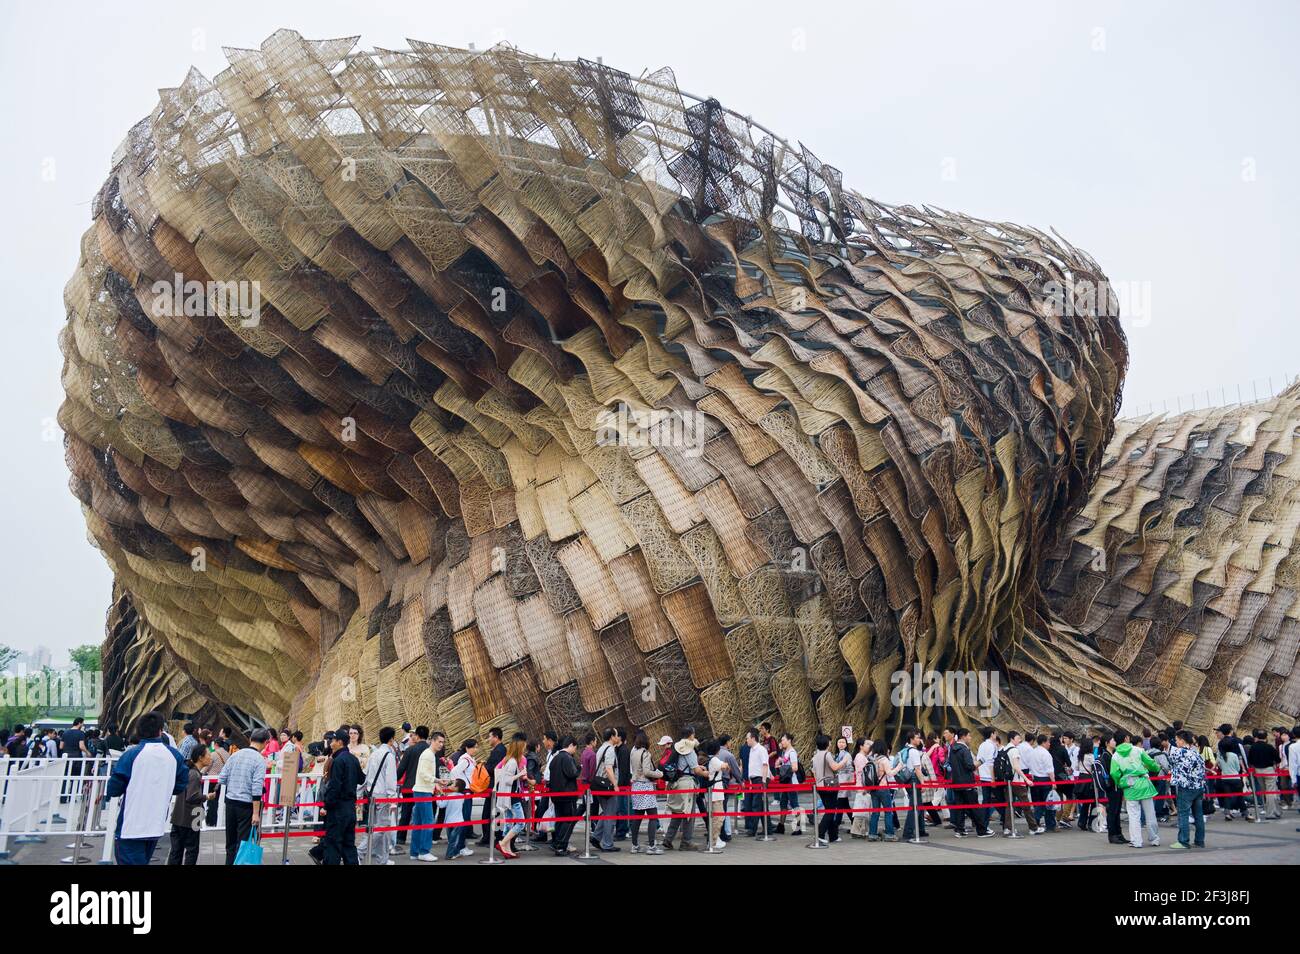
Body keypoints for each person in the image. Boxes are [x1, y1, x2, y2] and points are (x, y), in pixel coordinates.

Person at [106, 711, 188, 865]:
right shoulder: (175, 756)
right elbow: (180, 786)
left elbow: (114, 788)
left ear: (139, 731)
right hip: (156, 824)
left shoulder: (131, 755)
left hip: (130, 826)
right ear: (160, 731)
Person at [219, 727, 270, 864]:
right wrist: (255, 813)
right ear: (266, 742)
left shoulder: (235, 755)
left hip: (230, 803)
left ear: (250, 739)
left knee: (230, 843)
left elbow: (222, 778)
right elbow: (256, 788)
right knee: (242, 844)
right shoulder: (259, 760)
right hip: (246, 806)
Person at [1110, 731, 1161, 848]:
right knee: (1150, 814)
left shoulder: (1115, 756)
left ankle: (1136, 841)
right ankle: (1154, 839)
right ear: (1127, 738)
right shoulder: (1138, 750)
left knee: (1133, 816)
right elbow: (1151, 763)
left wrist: (1120, 782)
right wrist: (1156, 768)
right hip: (1143, 784)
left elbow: (1114, 773)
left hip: (1129, 787)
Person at [320, 725, 362, 864]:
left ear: (340, 742)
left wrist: (326, 805)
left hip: (338, 808)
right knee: (349, 845)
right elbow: (362, 779)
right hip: (350, 807)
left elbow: (334, 786)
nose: (331, 744)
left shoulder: (338, 761)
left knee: (333, 845)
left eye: (333, 741)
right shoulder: (353, 759)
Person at [168, 745, 215, 865]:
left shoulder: (187, 770)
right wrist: (207, 797)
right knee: (192, 851)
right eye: (208, 754)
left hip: (178, 816)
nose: (210, 757)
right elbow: (192, 797)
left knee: (176, 852)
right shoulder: (194, 774)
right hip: (191, 818)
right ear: (200, 757)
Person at [662, 728, 708, 850]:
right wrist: (707, 773)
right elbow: (696, 770)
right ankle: (686, 842)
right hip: (687, 783)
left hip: (676, 782)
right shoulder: (689, 750)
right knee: (689, 813)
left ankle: (668, 839)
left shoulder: (677, 747)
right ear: (691, 735)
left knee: (677, 813)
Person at [361, 726, 398, 864]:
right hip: (383, 796)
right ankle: (360, 851)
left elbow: (367, 773)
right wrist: (393, 799)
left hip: (372, 795)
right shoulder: (389, 756)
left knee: (377, 827)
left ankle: (382, 858)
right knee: (382, 828)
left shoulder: (374, 753)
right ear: (391, 739)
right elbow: (390, 780)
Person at [948, 728, 993, 837]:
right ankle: (982, 830)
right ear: (963, 736)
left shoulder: (952, 749)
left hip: (956, 783)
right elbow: (970, 766)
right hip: (967, 783)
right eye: (969, 736)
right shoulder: (964, 750)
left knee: (960, 808)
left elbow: (950, 764)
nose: (970, 738)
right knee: (974, 807)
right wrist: (980, 762)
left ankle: (960, 830)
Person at [409, 730, 445, 862]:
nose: (441, 744)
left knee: (419, 823)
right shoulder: (428, 755)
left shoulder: (429, 754)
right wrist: (437, 781)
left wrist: (436, 785)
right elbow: (424, 773)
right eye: (439, 741)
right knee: (428, 822)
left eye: (442, 742)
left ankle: (415, 851)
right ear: (432, 741)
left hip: (422, 790)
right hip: (422, 792)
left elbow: (423, 774)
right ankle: (424, 851)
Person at [493, 734, 530, 858]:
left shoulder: (508, 759)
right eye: (523, 746)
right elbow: (508, 780)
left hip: (508, 796)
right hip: (513, 796)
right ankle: (503, 844)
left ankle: (507, 849)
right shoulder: (513, 761)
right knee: (521, 823)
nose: (525, 748)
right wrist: (521, 774)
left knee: (509, 822)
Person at [1168, 730, 1206, 849]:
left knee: (1183, 814)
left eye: (1177, 740)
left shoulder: (1178, 752)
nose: (1176, 742)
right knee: (1198, 815)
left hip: (1186, 787)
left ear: (1182, 740)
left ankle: (1183, 841)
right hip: (1198, 787)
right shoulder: (1196, 754)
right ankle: (1200, 841)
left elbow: (1170, 762)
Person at [394, 725, 429, 849]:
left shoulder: (410, 750)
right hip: (425, 787)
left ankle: (401, 837)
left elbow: (401, 769)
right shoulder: (431, 750)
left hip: (409, 786)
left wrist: (394, 781)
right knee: (424, 814)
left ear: (418, 736)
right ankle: (422, 838)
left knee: (406, 812)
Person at [628, 730, 663, 853]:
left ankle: (634, 845)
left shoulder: (633, 751)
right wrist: (659, 774)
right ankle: (652, 846)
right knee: (653, 816)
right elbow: (647, 772)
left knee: (637, 817)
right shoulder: (645, 753)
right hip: (645, 786)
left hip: (636, 786)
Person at [444, 739, 477, 859]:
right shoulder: (465, 759)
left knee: (464, 819)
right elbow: (454, 771)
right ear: (468, 748)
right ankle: (461, 847)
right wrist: (460, 786)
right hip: (466, 791)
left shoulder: (468, 759)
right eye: (474, 747)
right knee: (463, 819)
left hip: (468, 791)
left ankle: (460, 846)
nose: (476, 749)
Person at [811, 734, 848, 845]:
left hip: (820, 786)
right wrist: (844, 761)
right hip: (829, 785)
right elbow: (835, 767)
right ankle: (820, 834)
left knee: (829, 809)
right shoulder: (827, 754)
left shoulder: (815, 755)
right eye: (830, 742)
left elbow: (813, 771)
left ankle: (833, 836)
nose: (831, 744)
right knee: (830, 811)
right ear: (826, 743)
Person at [548, 735, 581, 856]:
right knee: (569, 820)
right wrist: (579, 768)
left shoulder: (555, 757)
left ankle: (557, 843)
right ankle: (561, 846)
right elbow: (572, 773)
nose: (575, 751)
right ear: (571, 745)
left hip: (556, 794)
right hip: (567, 794)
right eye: (575, 747)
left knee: (560, 819)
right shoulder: (567, 757)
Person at [591, 727, 621, 852]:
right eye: (616, 735)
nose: (618, 738)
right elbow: (609, 769)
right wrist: (615, 784)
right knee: (610, 814)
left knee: (606, 813)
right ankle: (608, 843)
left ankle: (596, 837)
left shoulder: (602, 748)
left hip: (599, 785)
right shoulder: (610, 750)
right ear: (612, 737)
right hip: (607, 786)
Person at [865, 740, 901, 841]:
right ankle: (889, 834)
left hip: (873, 789)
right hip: (883, 788)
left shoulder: (871, 759)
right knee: (888, 811)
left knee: (875, 812)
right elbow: (890, 774)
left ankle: (872, 834)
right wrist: (899, 767)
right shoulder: (884, 759)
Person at [478, 727, 506, 844]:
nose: (488, 739)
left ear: (496, 737)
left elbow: (493, 768)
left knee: (489, 813)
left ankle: (490, 838)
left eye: (489, 737)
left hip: (495, 786)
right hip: (496, 786)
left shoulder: (498, 751)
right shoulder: (500, 749)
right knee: (495, 812)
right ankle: (495, 837)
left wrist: (482, 767)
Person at [1024, 734, 1056, 834]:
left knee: (1038, 804)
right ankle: (1050, 825)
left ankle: (1035, 823)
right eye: (1048, 742)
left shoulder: (1033, 752)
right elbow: (1050, 770)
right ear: (1044, 742)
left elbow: (1029, 765)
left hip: (1035, 780)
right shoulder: (1046, 754)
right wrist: (1053, 782)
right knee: (1048, 804)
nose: (1049, 744)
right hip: (1045, 780)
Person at [1247, 729, 1282, 819]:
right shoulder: (1269, 747)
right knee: (1270, 792)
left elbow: (1250, 760)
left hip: (1258, 771)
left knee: (1264, 791)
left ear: (1257, 737)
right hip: (1269, 770)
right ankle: (1270, 813)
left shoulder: (1253, 747)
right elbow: (1278, 759)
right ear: (1266, 737)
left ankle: (1276, 811)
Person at [742, 727, 771, 836]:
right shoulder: (752, 750)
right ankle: (768, 828)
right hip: (754, 780)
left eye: (748, 738)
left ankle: (752, 829)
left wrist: (763, 781)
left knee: (756, 804)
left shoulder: (761, 749)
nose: (747, 740)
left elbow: (765, 765)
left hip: (760, 779)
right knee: (762, 805)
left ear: (753, 738)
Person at [773, 733, 802, 834]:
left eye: (783, 740)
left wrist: (782, 768)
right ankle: (781, 826)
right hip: (786, 782)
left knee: (795, 804)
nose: (782, 742)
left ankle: (798, 828)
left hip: (791, 782)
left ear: (789, 740)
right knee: (783, 803)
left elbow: (795, 767)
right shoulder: (785, 752)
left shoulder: (792, 752)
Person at [705, 739, 728, 850]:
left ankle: (715, 838)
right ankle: (713, 841)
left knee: (716, 817)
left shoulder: (709, 759)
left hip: (714, 791)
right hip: (716, 792)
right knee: (718, 818)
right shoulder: (714, 759)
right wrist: (726, 764)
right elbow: (723, 766)